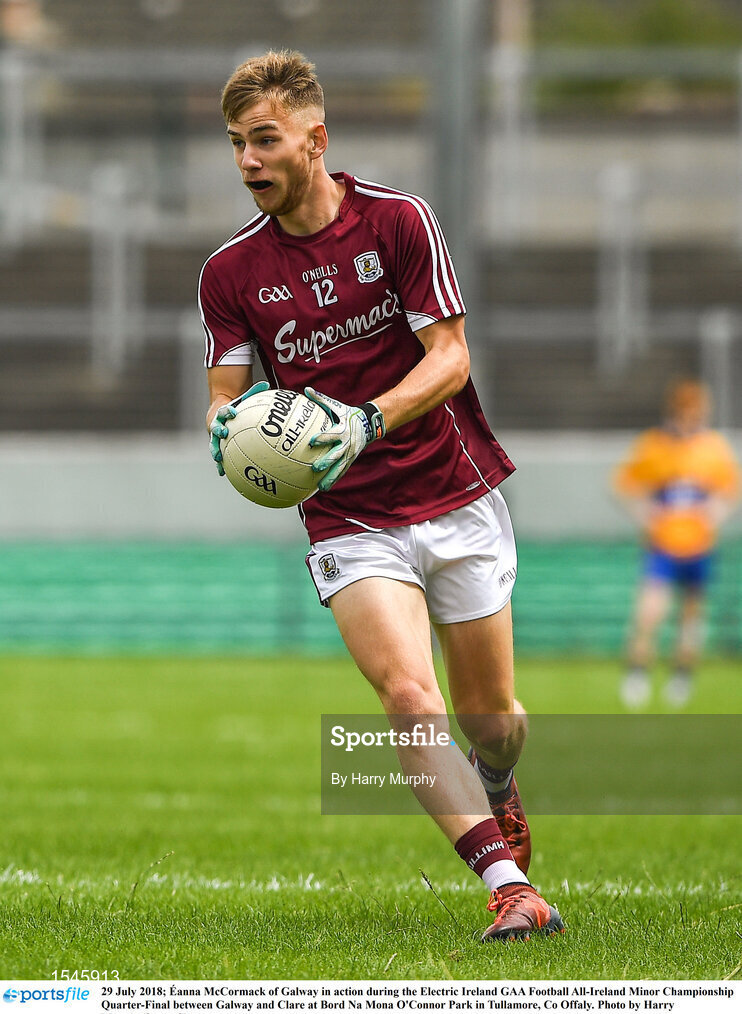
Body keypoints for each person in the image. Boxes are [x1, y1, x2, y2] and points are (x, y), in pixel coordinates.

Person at [199, 49, 564, 942]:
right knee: (406, 691)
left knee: (493, 722)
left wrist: (365, 419)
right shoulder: (228, 274)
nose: (248, 160)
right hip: (350, 515)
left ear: (315, 140)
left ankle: (500, 779)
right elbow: (225, 393)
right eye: (238, 144)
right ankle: (508, 884)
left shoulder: (399, 223)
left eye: (265, 140)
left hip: (453, 492)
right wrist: (225, 428)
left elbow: (451, 358)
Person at [614, 379, 740, 708]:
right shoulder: (654, 446)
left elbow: (729, 488)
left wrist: (716, 512)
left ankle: (682, 676)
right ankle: (637, 673)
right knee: (650, 613)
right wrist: (646, 514)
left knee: (690, 616)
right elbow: (624, 484)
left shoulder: (713, 448)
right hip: (663, 548)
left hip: (699, 548)